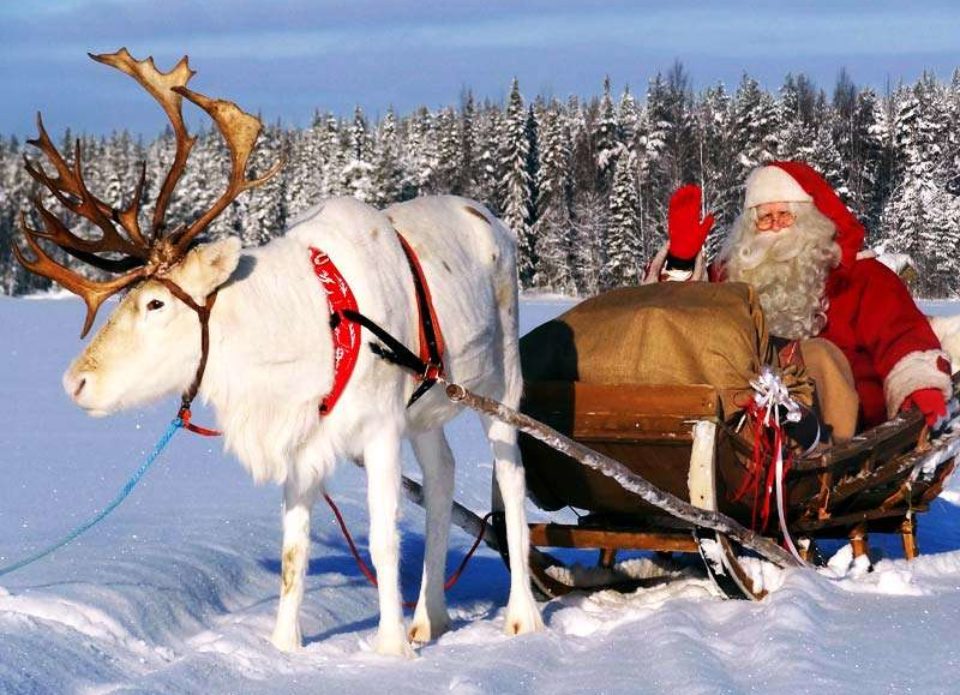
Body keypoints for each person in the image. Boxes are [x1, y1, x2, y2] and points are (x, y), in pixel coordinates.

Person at [645, 161, 951, 436]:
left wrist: (918, 386)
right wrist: (682, 262)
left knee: (818, 355)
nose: (775, 226)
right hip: (739, 423)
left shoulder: (860, 276)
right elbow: (681, 318)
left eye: (785, 215)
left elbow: (900, 332)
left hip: (847, 431)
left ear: (809, 221)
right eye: (765, 218)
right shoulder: (732, 275)